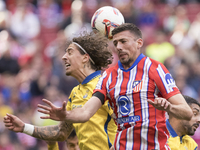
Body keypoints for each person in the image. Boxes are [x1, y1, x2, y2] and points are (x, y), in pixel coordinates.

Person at [35, 23, 193, 150]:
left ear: (139, 43)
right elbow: (85, 112)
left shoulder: (155, 69)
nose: (118, 47)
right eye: (116, 43)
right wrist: (65, 116)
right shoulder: (108, 76)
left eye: (123, 41)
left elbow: (186, 112)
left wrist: (168, 107)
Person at [4, 31, 117, 150]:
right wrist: (24, 127)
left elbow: (126, 123)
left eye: (70, 52)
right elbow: (61, 132)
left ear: (85, 57)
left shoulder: (105, 84)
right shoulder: (75, 93)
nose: (64, 57)